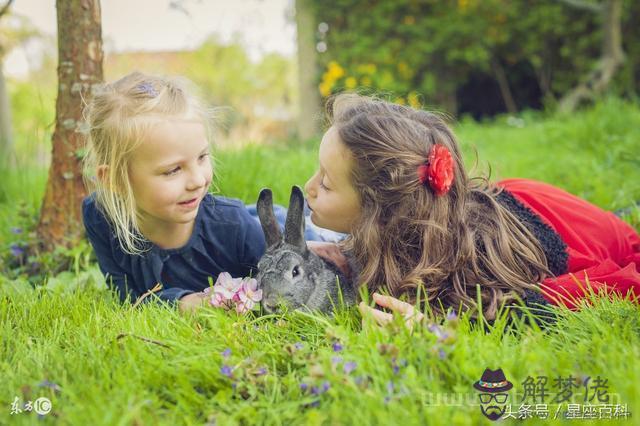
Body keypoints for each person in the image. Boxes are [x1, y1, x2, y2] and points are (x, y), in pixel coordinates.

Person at [303, 94, 640, 327]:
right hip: (502, 200)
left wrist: (433, 331)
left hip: (570, 230)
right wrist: (346, 256)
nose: (309, 187)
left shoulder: (476, 278)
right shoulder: (395, 238)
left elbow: (616, 286)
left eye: (327, 183)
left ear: (379, 214)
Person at [81, 72, 337, 313]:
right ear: (115, 180)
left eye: (202, 157)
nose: (197, 180)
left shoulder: (233, 228)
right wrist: (181, 303)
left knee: (327, 237)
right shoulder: (100, 216)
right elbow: (126, 297)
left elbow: (300, 272)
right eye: (172, 170)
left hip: (275, 229)